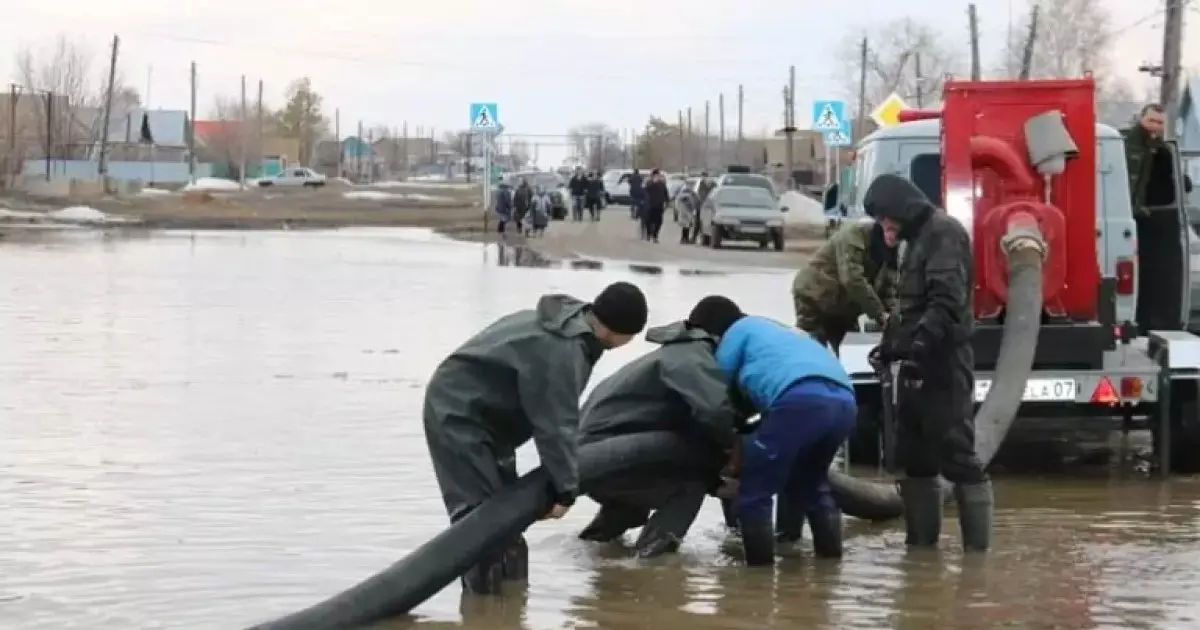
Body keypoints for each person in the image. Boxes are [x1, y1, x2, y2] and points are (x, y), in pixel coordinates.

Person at [423, 283, 649, 594]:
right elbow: (557, 425)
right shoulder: (564, 349)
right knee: (481, 526)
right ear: (621, 332)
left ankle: (507, 603)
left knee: (506, 525)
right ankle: (486, 611)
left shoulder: (566, 327)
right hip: (459, 415)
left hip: (488, 420)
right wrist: (565, 491)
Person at [861, 173, 991, 553]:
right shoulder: (913, 241)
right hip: (914, 364)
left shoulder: (943, 233)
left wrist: (920, 347)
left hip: (943, 362)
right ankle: (920, 550)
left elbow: (945, 302)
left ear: (902, 207)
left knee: (958, 454)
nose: (884, 225)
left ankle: (976, 558)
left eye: (886, 216)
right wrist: (889, 347)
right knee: (914, 458)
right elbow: (908, 307)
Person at [688, 296, 857, 565]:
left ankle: (760, 580)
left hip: (799, 399)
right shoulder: (776, 330)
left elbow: (719, 390)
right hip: (845, 402)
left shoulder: (735, 333)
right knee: (812, 485)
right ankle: (830, 565)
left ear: (713, 333)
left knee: (755, 494)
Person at [576, 311, 744, 558]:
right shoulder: (692, 356)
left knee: (631, 508)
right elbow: (716, 414)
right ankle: (652, 561)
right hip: (606, 456)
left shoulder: (671, 354)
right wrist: (733, 455)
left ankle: (590, 550)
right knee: (690, 486)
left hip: (596, 458)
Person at [792, 220, 898, 355]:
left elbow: (887, 286)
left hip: (845, 306)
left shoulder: (891, 251)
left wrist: (892, 316)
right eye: (890, 229)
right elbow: (852, 279)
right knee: (813, 349)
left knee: (849, 352)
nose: (893, 236)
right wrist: (879, 313)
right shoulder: (855, 234)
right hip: (815, 295)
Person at [1124, 104, 1178, 332]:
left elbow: (1163, 185)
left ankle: (1148, 323)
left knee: (1149, 276)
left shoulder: (1162, 150)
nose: (1155, 126)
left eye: (1159, 122)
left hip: (1145, 218)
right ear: (1142, 119)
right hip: (1126, 214)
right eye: (1152, 120)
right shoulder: (1126, 143)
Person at [643, 169, 670, 243]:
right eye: (655, 175)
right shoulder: (649, 183)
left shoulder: (662, 184)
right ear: (652, 176)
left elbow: (666, 193)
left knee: (659, 221)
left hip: (659, 205)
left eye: (657, 175)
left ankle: (655, 236)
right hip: (650, 205)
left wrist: (667, 202)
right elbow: (645, 191)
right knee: (648, 221)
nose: (656, 177)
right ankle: (648, 234)